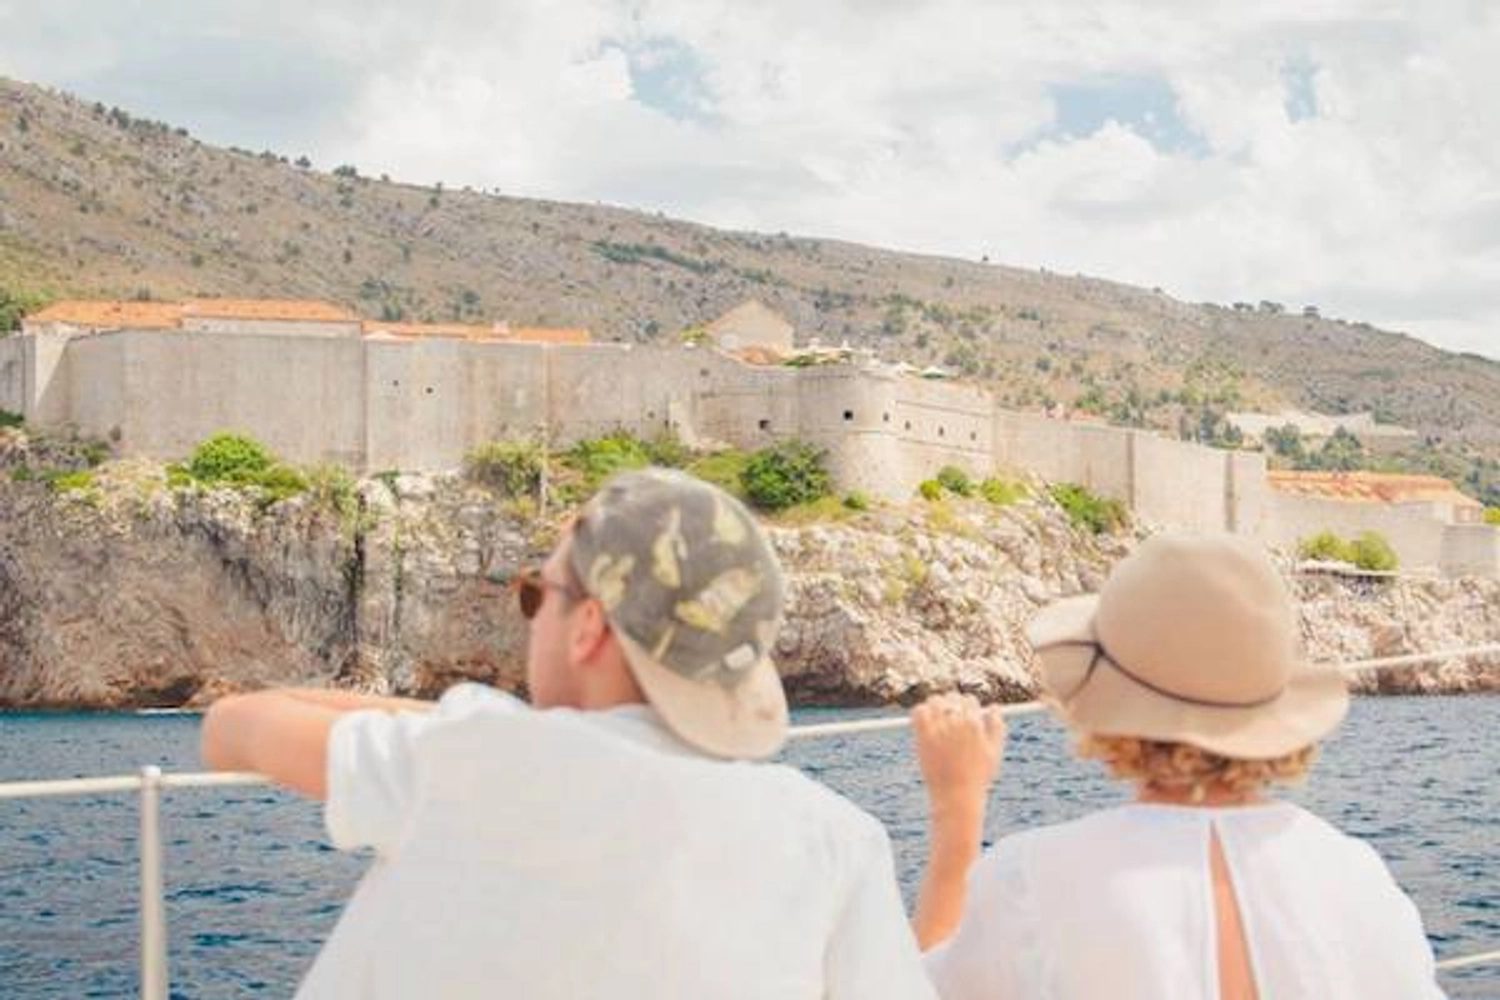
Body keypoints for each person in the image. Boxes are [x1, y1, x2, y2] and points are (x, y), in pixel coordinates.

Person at [202, 468, 935, 1000]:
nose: (531, 615)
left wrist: (478, 725)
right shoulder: (838, 837)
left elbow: (234, 726)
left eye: (536, 595)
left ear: (588, 627)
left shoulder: (480, 758)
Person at [910, 532, 1445, 999]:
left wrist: (958, 810)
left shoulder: (1030, 875)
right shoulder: (1358, 875)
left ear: (1103, 700)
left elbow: (916, 991)